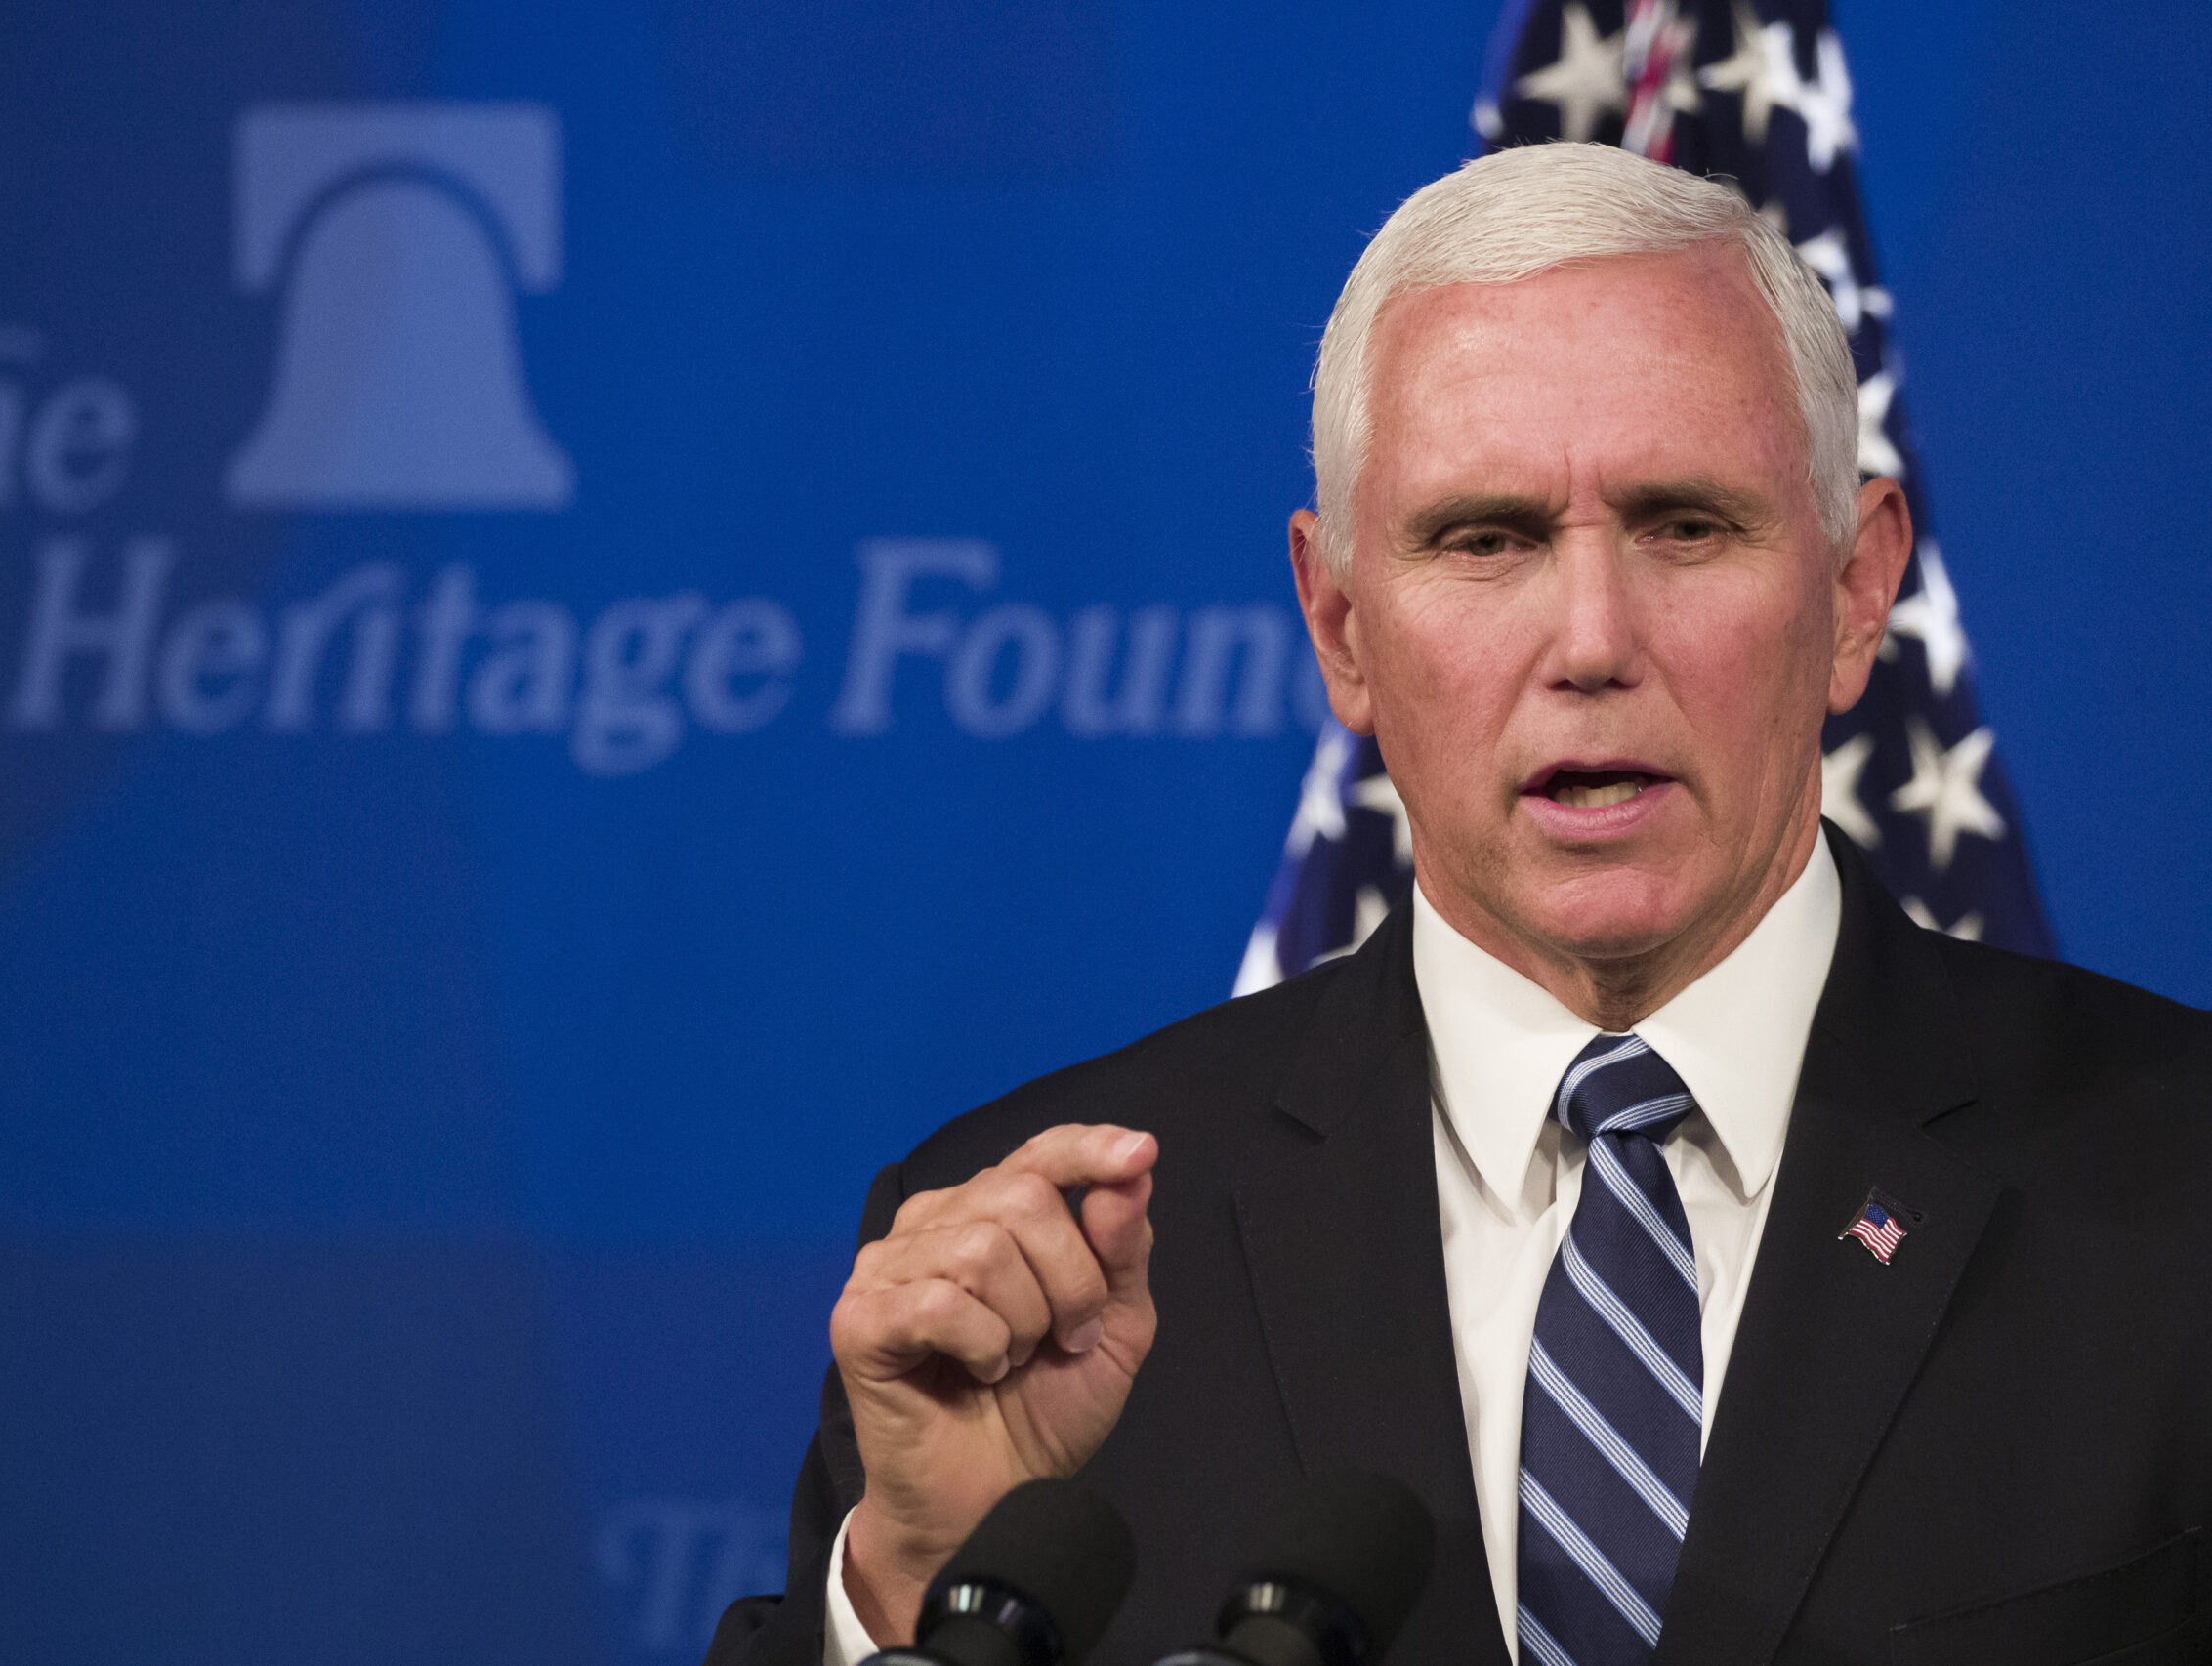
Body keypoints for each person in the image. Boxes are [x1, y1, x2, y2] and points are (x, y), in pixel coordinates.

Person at [706, 144, 2212, 1666]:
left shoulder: (2179, 1190)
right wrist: (916, 1588)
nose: (1592, 640)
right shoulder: (1044, 1281)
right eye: (1485, 539)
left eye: (1686, 525)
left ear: (1855, 590)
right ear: (1341, 626)